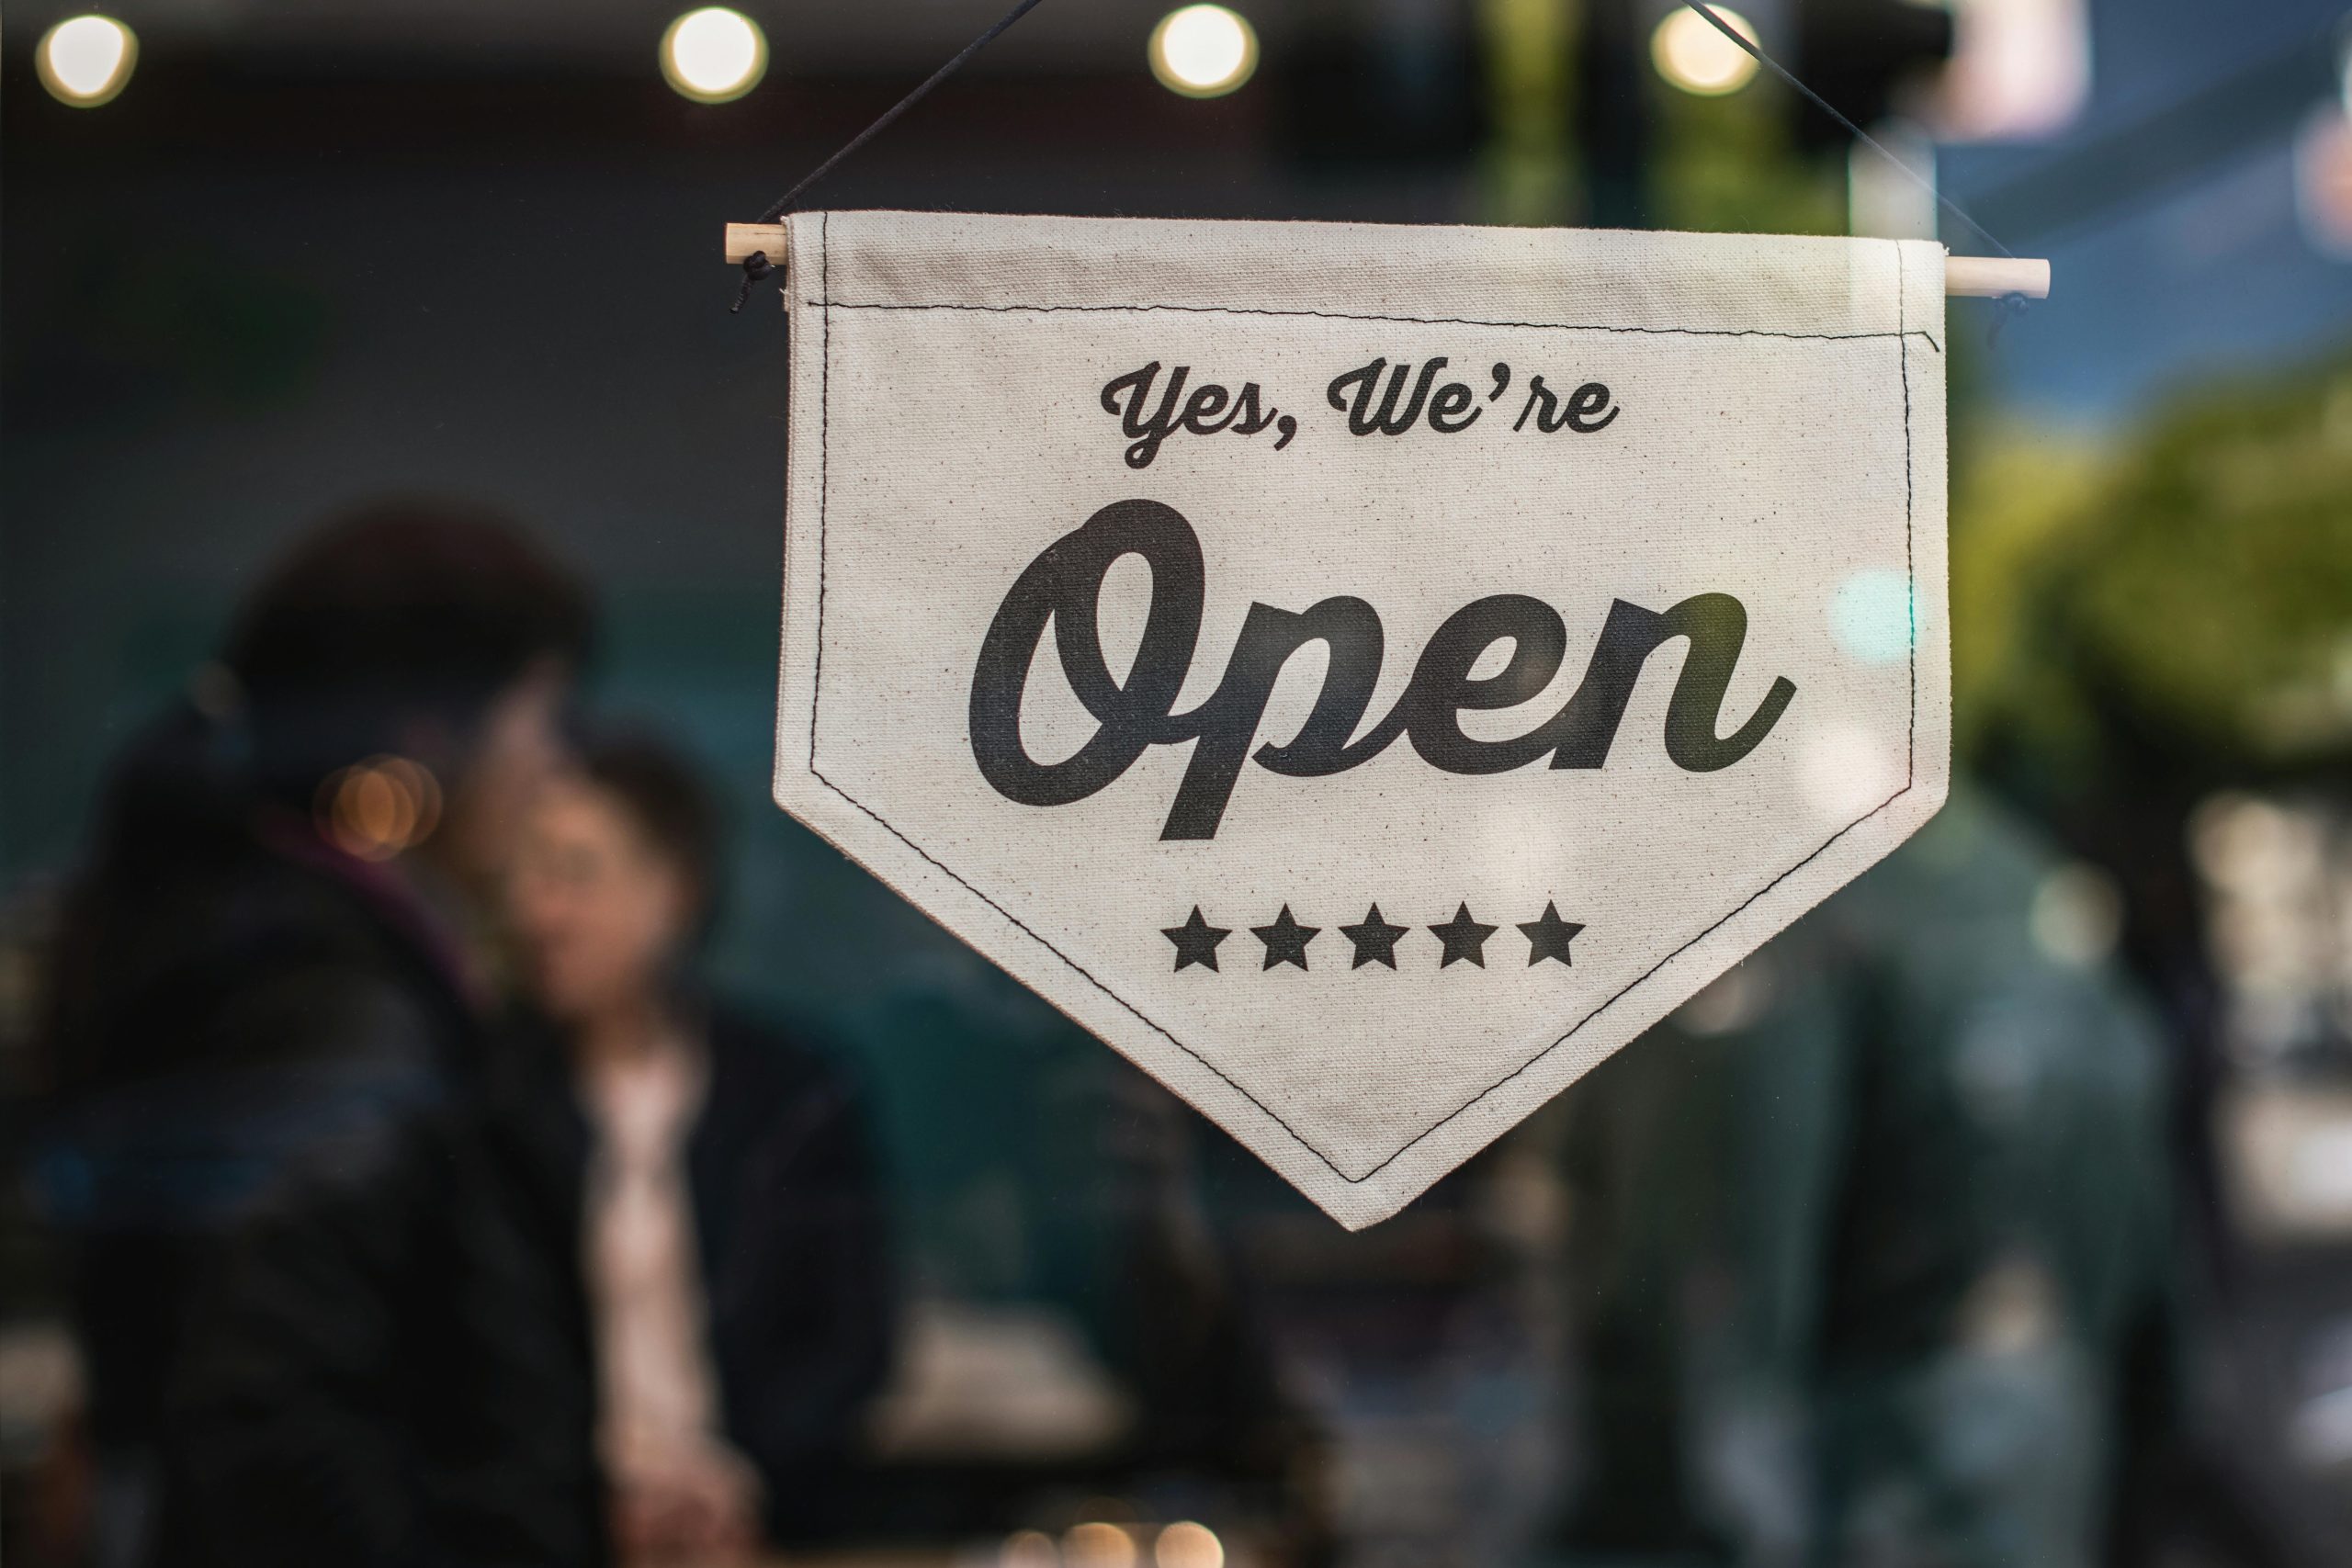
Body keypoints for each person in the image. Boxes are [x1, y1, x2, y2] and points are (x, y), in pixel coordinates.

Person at [164, 733, 894, 1566]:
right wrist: (587, 1502)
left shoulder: (790, 1089)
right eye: (529, 876)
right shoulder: (481, 1097)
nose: (543, 911)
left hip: (750, 1526)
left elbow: (845, 1337)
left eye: (578, 873)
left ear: (675, 889)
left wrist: (738, 1478)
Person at [32, 499, 593, 1567]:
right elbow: (277, 1421)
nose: (557, 771)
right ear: (435, 739)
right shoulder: (326, 1012)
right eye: (541, 720)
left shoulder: (258, 951)